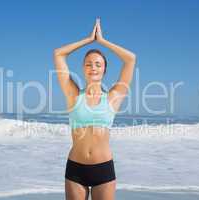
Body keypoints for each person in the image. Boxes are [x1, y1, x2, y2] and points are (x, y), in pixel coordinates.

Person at [53, 18, 136, 200]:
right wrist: (88, 40)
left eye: (98, 64)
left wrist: (102, 41)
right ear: (83, 68)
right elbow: (59, 54)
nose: (93, 67)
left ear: (105, 69)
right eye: (88, 64)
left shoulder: (113, 97)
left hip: (103, 169)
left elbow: (130, 59)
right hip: (76, 169)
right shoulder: (73, 94)